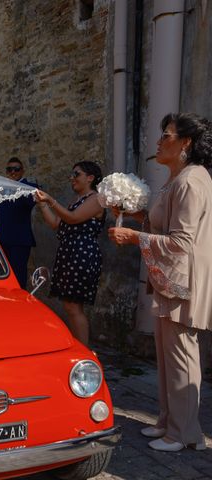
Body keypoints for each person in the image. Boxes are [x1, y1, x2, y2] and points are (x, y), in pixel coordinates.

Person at [108, 113, 212, 452]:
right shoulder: (179, 178)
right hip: (172, 280)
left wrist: (133, 236)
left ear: (185, 143)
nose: (158, 141)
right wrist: (140, 220)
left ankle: (184, 434)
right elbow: (166, 228)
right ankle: (169, 422)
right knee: (168, 356)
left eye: (165, 136)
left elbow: (182, 242)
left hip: (183, 281)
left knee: (181, 356)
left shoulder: (191, 181)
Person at [35, 161, 105, 346]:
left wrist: (51, 200)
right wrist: (43, 205)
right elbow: (56, 223)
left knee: (74, 306)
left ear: (90, 178)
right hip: (69, 253)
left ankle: (84, 352)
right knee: (69, 305)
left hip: (83, 255)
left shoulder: (97, 198)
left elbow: (72, 218)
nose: (71, 178)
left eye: (76, 174)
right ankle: (78, 348)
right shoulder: (75, 200)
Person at [0, 157, 37, 288]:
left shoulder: (30, 187)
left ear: (22, 171)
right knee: (2, 275)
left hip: (20, 241)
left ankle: (19, 304)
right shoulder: (3, 191)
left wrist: (14, 187)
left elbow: (29, 202)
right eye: (9, 169)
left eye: (16, 169)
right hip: (3, 241)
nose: (13, 172)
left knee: (18, 276)